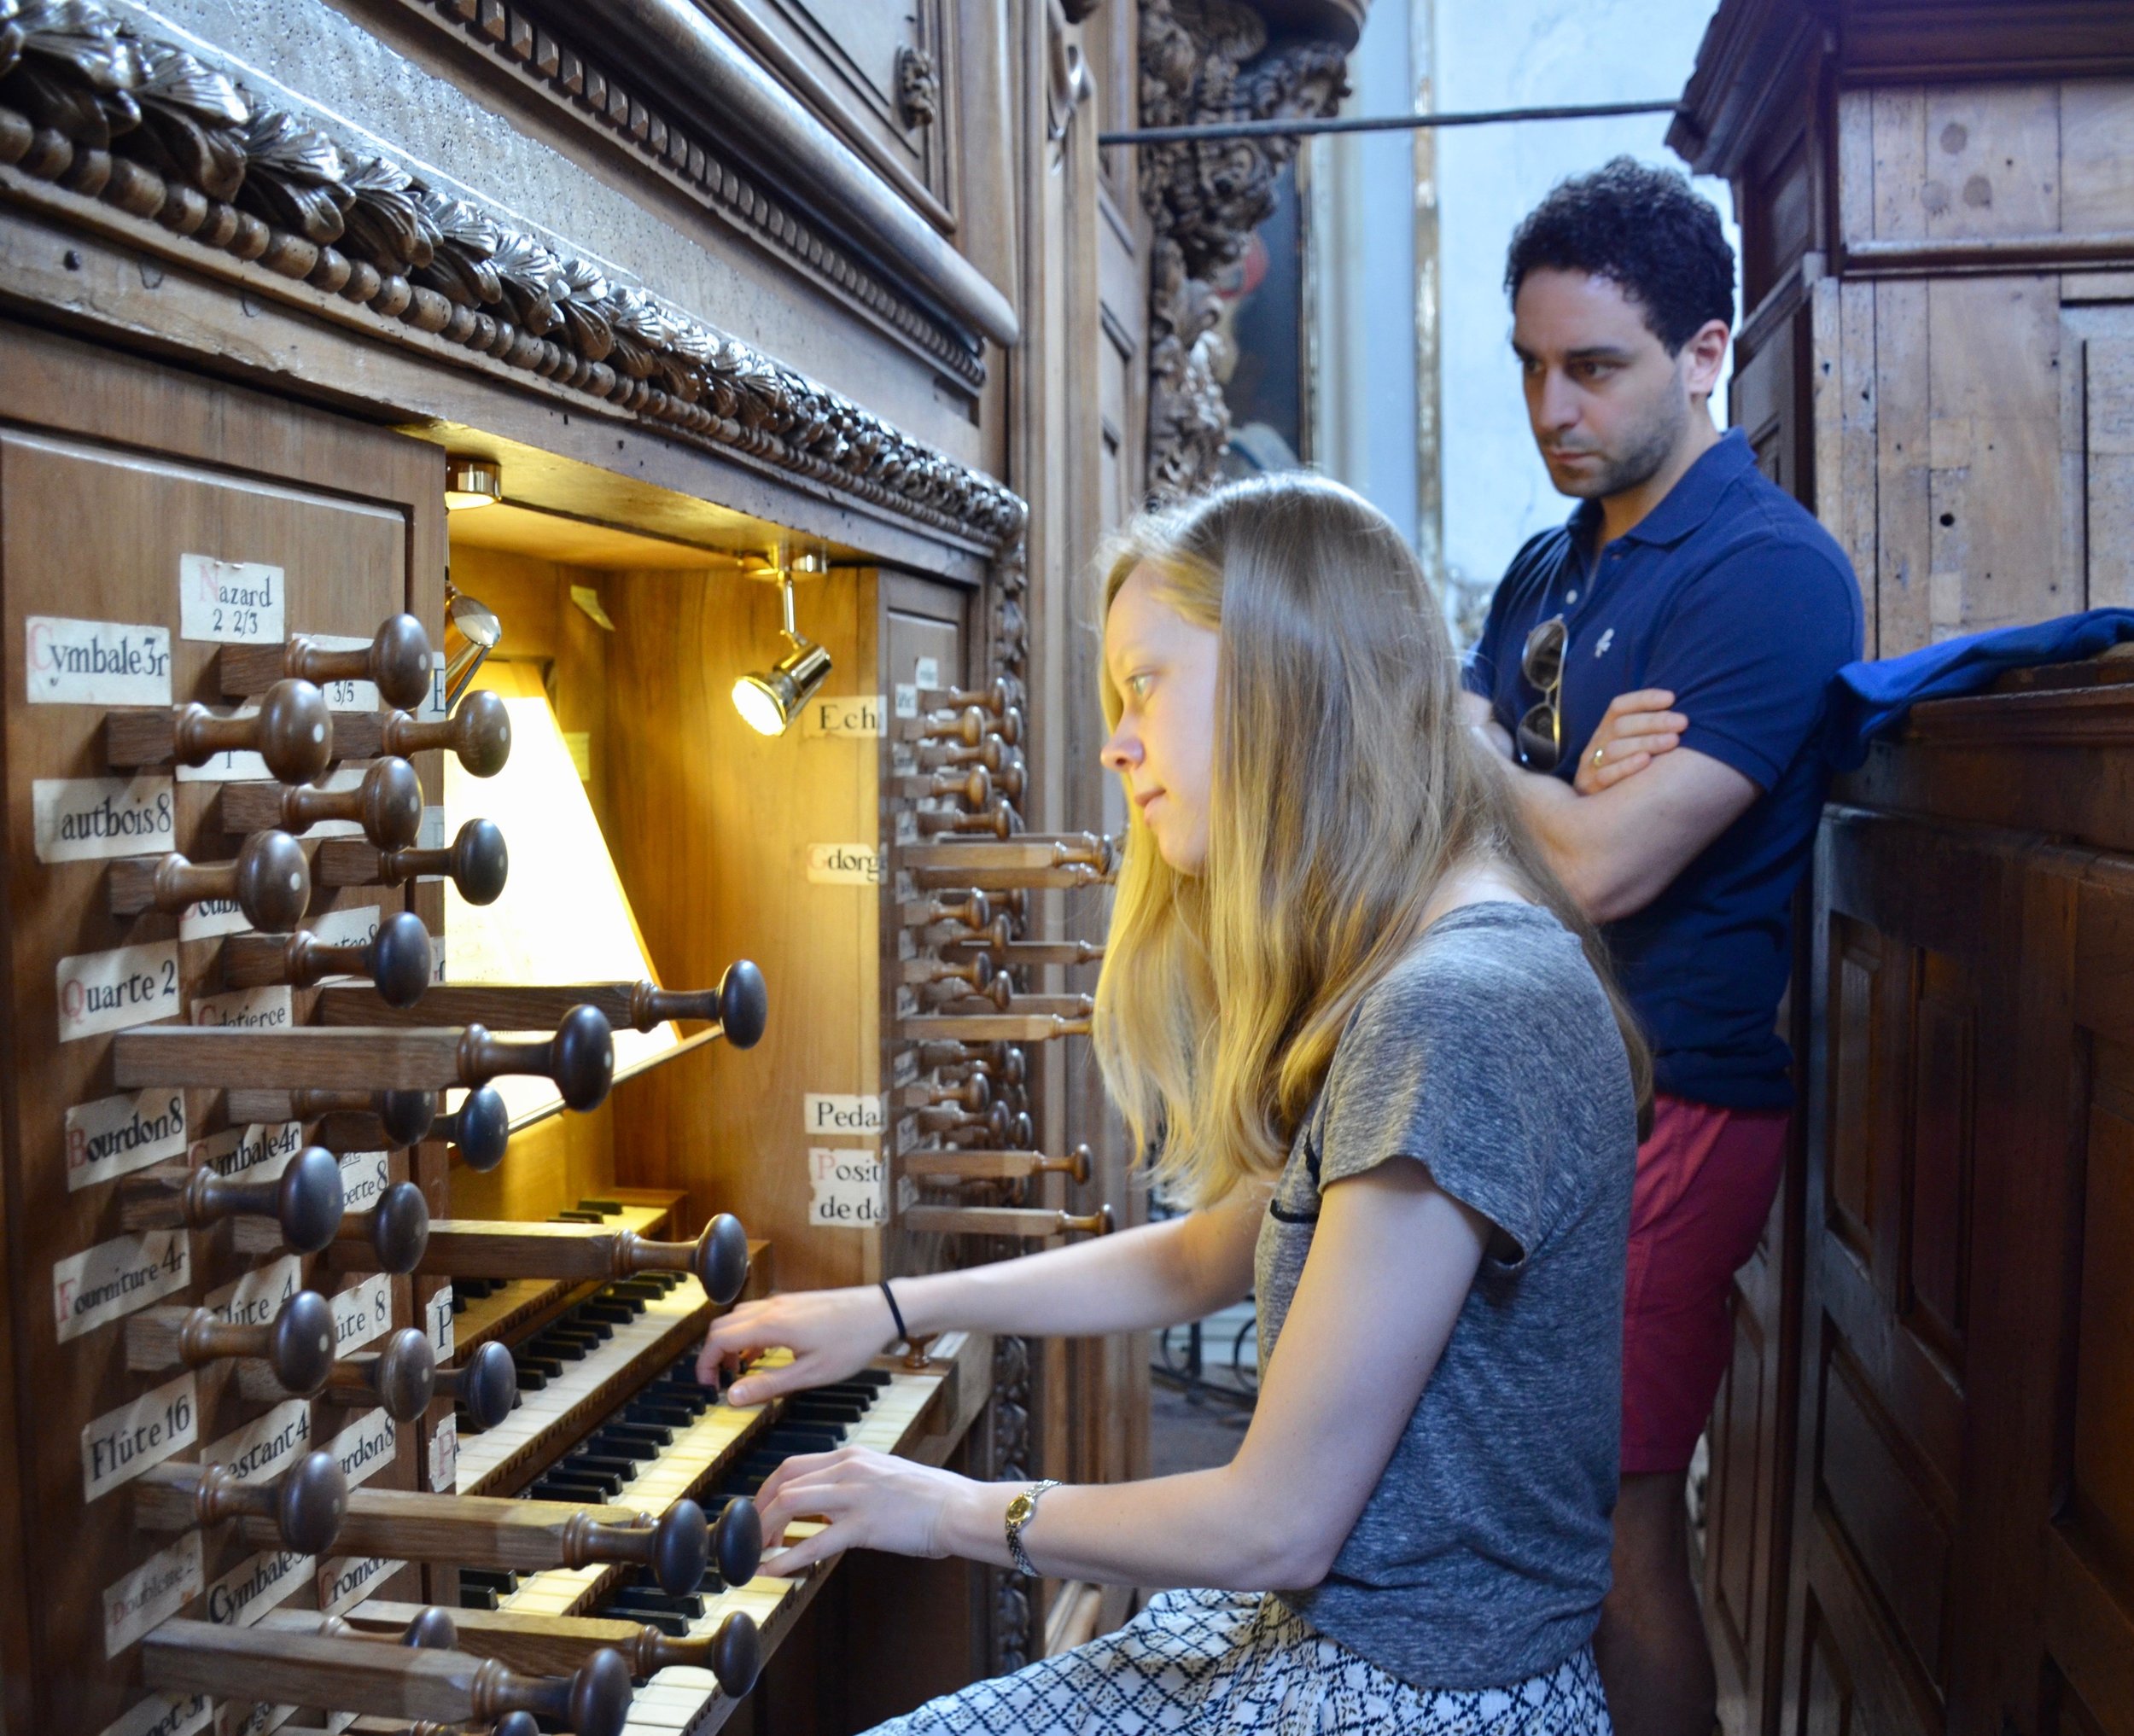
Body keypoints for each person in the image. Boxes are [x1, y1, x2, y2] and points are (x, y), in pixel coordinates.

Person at [699, 473, 1647, 1734]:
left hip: (1405, 1697)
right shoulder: (1434, 962)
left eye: (1145, 683)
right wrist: (891, 1308)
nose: (1115, 740)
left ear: (1282, 681)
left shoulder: (1458, 1006)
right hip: (1341, 1654)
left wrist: (941, 1507)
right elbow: (1216, 1246)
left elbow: (1278, 1524)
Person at [1460, 158, 1864, 1736]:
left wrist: (1496, 760)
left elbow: (1601, 864)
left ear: (1705, 353)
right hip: (1548, 1083)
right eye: (1531, 367)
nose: (1552, 406)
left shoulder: (1768, 575)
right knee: (1539, 1505)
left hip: (1680, 1103)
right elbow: (1492, 788)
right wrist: (1522, 769)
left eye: (1595, 367)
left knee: (1622, 1520)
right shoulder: (1555, 558)